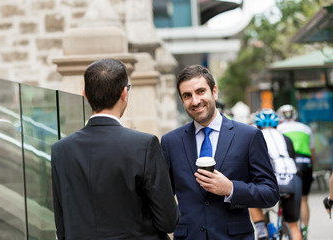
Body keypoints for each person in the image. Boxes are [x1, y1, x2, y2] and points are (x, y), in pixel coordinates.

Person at [51, 58, 180, 240]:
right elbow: (168, 221)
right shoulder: (144, 145)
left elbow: (62, 224)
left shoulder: (60, 150)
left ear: (85, 95)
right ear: (124, 93)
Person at [160, 64, 279, 240]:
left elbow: (270, 193)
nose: (195, 101)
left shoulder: (248, 136)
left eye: (200, 91)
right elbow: (163, 198)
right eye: (187, 95)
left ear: (214, 92)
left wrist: (230, 188)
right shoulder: (170, 141)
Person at [250, 109, 302, 240]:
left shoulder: (255, 137)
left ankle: (261, 232)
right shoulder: (286, 138)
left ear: (257, 125)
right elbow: (293, 158)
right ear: (277, 124)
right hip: (292, 179)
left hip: (271, 180)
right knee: (294, 225)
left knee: (249, 195)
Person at [277, 104, 315, 239]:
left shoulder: (279, 129)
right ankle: (304, 229)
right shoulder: (306, 128)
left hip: (290, 165)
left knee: (289, 198)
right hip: (306, 163)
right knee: (304, 199)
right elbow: (312, 151)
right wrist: (311, 169)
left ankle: (291, 228)